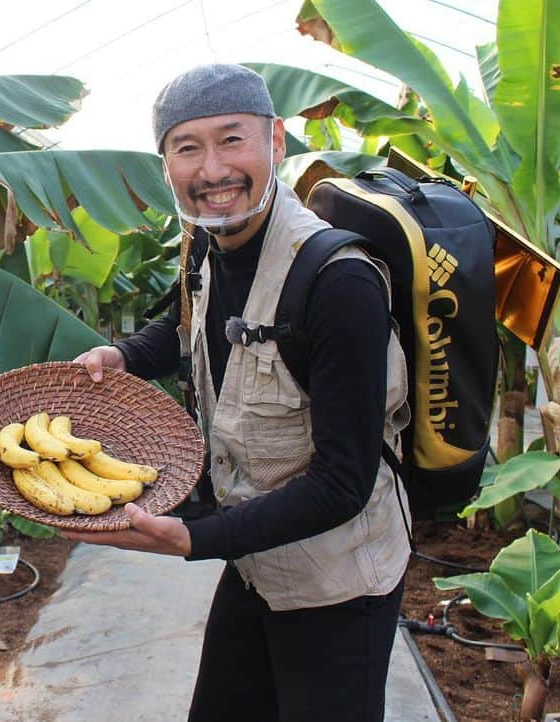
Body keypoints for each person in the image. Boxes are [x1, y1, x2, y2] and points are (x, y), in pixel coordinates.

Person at [67, 64, 411, 722]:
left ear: (276, 141)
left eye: (232, 140)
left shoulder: (339, 282)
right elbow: (185, 321)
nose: (212, 169)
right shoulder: (205, 243)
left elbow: (343, 483)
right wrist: (125, 354)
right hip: (259, 562)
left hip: (339, 583)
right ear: (165, 163)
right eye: (187, 147)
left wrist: (198, 538)